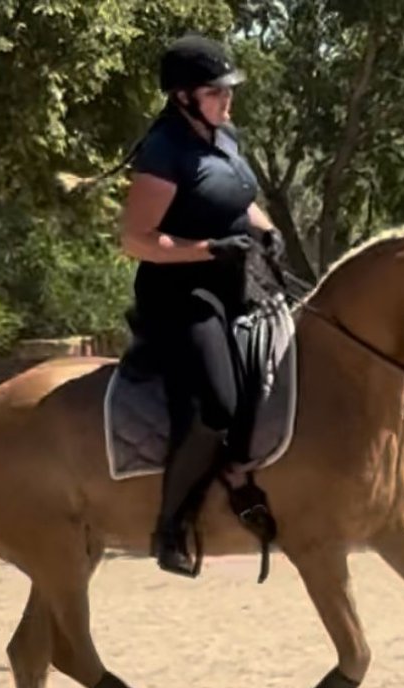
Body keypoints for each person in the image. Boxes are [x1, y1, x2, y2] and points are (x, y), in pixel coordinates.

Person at [117, 34, 286, 577]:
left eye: (227, 91)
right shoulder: (164, 152)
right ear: (185, 97)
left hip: (236, 283)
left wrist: (267, 231)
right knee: (216, 403)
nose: (227, 100)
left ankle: (240, 475)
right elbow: (136, 240)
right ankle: (170, 526)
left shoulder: (223, 137)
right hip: (180, 296)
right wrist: (209, 249)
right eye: (217, 92)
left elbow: (241, 201)